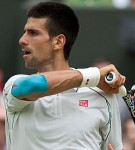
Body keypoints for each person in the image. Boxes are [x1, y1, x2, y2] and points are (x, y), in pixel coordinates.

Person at [3, 2, 125, 150]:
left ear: (58, 42)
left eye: (33, 33)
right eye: (25, 32)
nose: (22, 40)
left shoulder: (103, 97)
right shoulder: (15, 84)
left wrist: (93, 78)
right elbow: (31, 85)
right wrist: (94, 76)